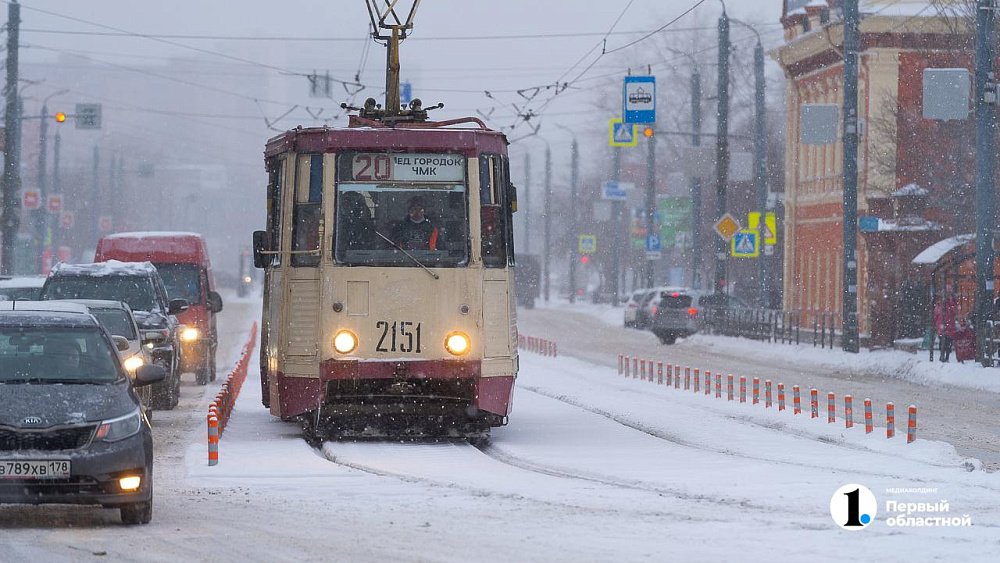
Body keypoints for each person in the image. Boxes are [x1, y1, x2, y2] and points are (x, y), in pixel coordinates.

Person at [934, 289, 958, 362]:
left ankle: (945, 356)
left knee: (948, 343)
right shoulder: (940, 304)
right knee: (944, 342)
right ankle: (943, 356)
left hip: (948, 327)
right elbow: (936, 315)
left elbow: (955, 311)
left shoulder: (951, 304)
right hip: (944, 326)